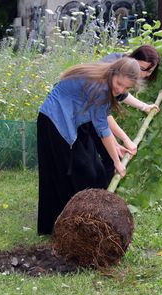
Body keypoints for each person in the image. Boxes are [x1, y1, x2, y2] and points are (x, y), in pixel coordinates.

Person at [37, 57, 140, 235]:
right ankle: (61, 228)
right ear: (114, 73)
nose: (121, 90)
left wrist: (116, 146)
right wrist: (116, 161)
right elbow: (102, 128)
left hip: (56, 121)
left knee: (64, 173)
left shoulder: (106, 77)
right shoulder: (100, 87)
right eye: (119, 84)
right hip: (53, 121)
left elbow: (103, 122)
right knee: (59, 174)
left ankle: (60, 227)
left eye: (127, 88)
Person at [92, 44, 161, 184]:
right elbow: (103, 117)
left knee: (108, 158)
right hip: (80, 118)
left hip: (91, 117)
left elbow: (121, 95)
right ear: (132, 59)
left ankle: (102, 196)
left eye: (149, 72)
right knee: (95, 162)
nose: (143, 75)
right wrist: (125, 140)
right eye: (142, 69)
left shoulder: (122, 71)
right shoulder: (113, 68)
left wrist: (144, 106)